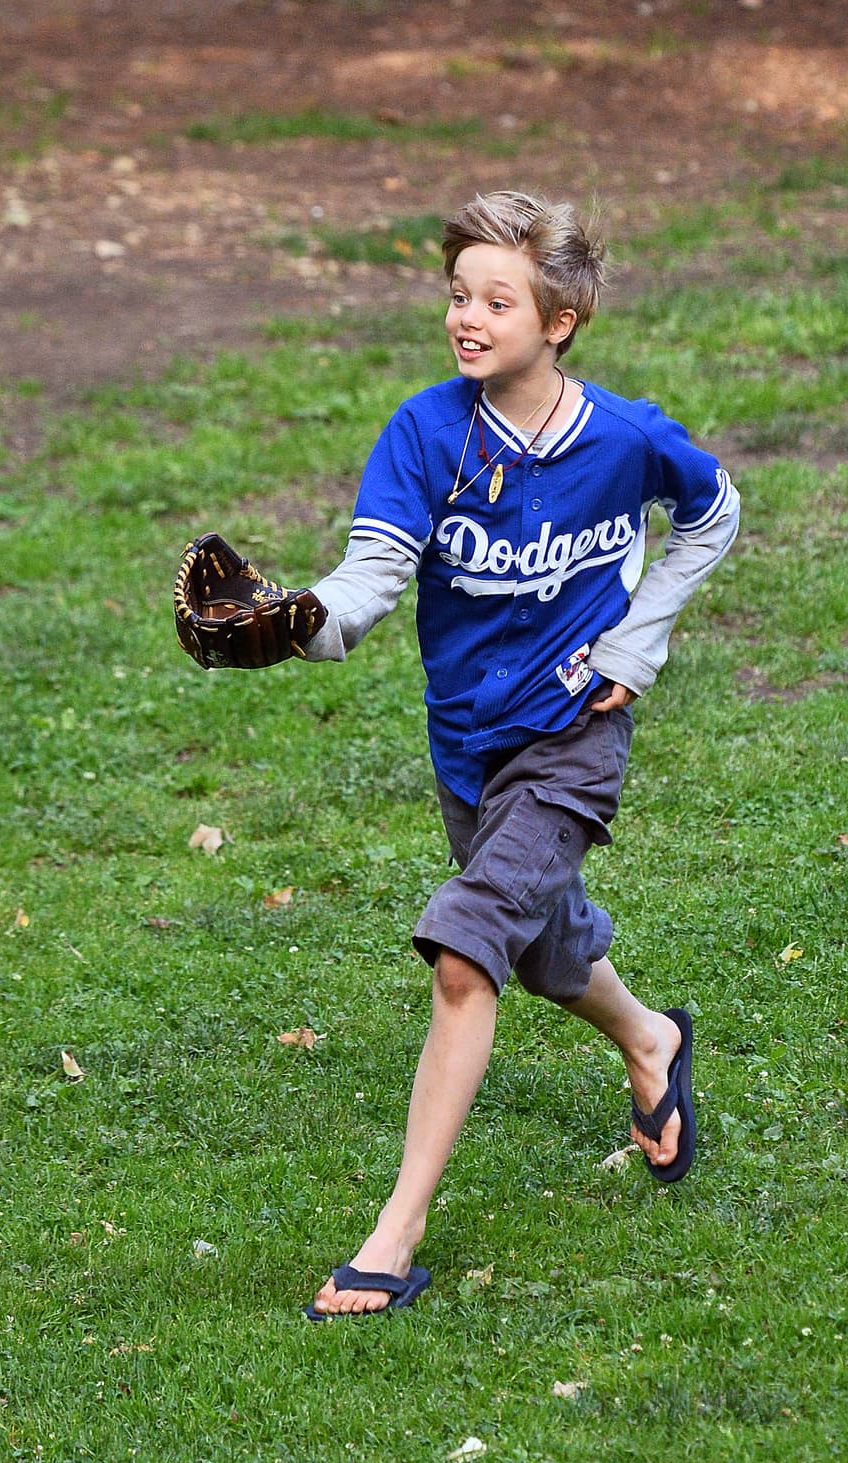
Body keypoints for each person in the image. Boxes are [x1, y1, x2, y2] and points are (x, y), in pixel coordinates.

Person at [299, 190, 740, 1319]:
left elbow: (713, 512)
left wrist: (637, 644)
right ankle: (651, 1036)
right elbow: (368, 579)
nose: (467, 317)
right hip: (468, 744)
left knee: (464, 952)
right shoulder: (423, 432)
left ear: (560, 319)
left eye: (497, 299)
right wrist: (300, 621)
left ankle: (392, 1239)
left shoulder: (624, 438)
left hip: (573, 735)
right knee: (543, 950)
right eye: (458, 295)